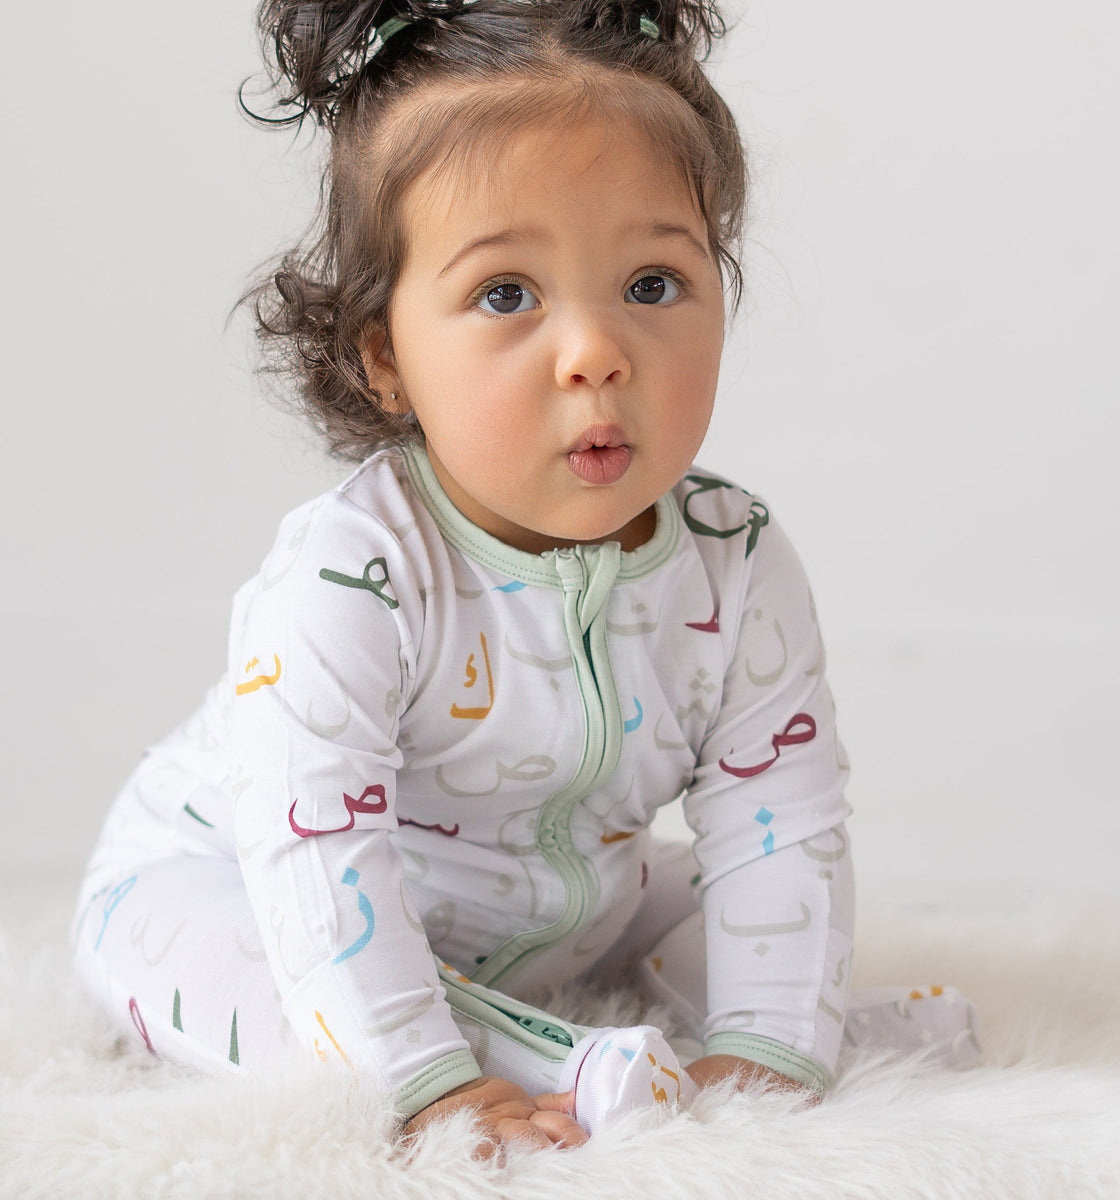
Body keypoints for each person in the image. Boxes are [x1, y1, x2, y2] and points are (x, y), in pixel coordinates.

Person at [71, 0, 977, 1155]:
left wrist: (769, 1042)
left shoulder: (735, 559)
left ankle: (807, 1030)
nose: (596, 349)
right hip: (235, 878)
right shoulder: (355, 576)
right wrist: (421, 1079)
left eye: (653, 283)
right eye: (508, 295)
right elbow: (318, 857)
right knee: (244, 975)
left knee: (741, 910)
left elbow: (777, 821)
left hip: (564, 902)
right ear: (387, 357)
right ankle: (565, 1066)